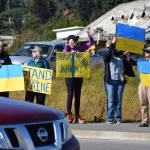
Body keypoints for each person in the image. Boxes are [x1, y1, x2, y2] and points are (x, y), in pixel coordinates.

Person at [64, 27, 94, 124]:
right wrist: (70, 48)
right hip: (69, 76)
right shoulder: (66, 49)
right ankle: (69, 115)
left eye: (75, 40)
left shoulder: (80, 49)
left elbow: (91, 44)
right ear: (69, 42)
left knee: (78, 95)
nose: (74, 42)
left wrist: (89, 35)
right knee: (70, 94)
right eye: (72, 40)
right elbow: (64, 55)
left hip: (79, 75)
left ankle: (77, 115)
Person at [104, 37, 135, 124]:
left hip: (120, 81)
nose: (109, 48)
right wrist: (112, 44)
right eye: (108, 46)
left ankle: (118, 118)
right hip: (110, 81)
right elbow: (108, 54)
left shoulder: (120, 55)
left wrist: (128, 56)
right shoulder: (107, 56)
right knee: (111, 100)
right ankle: (110, 118)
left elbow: (132, 63)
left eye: (110, 46)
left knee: (118, 100)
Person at [138, 46, 150, 127]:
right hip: (142, 84)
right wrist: (128, 55)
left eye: (148, 51)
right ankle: (145, 121)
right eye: (145, 51)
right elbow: (130, 61)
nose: (146, 53)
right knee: (143, 103)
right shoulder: (140, 61)